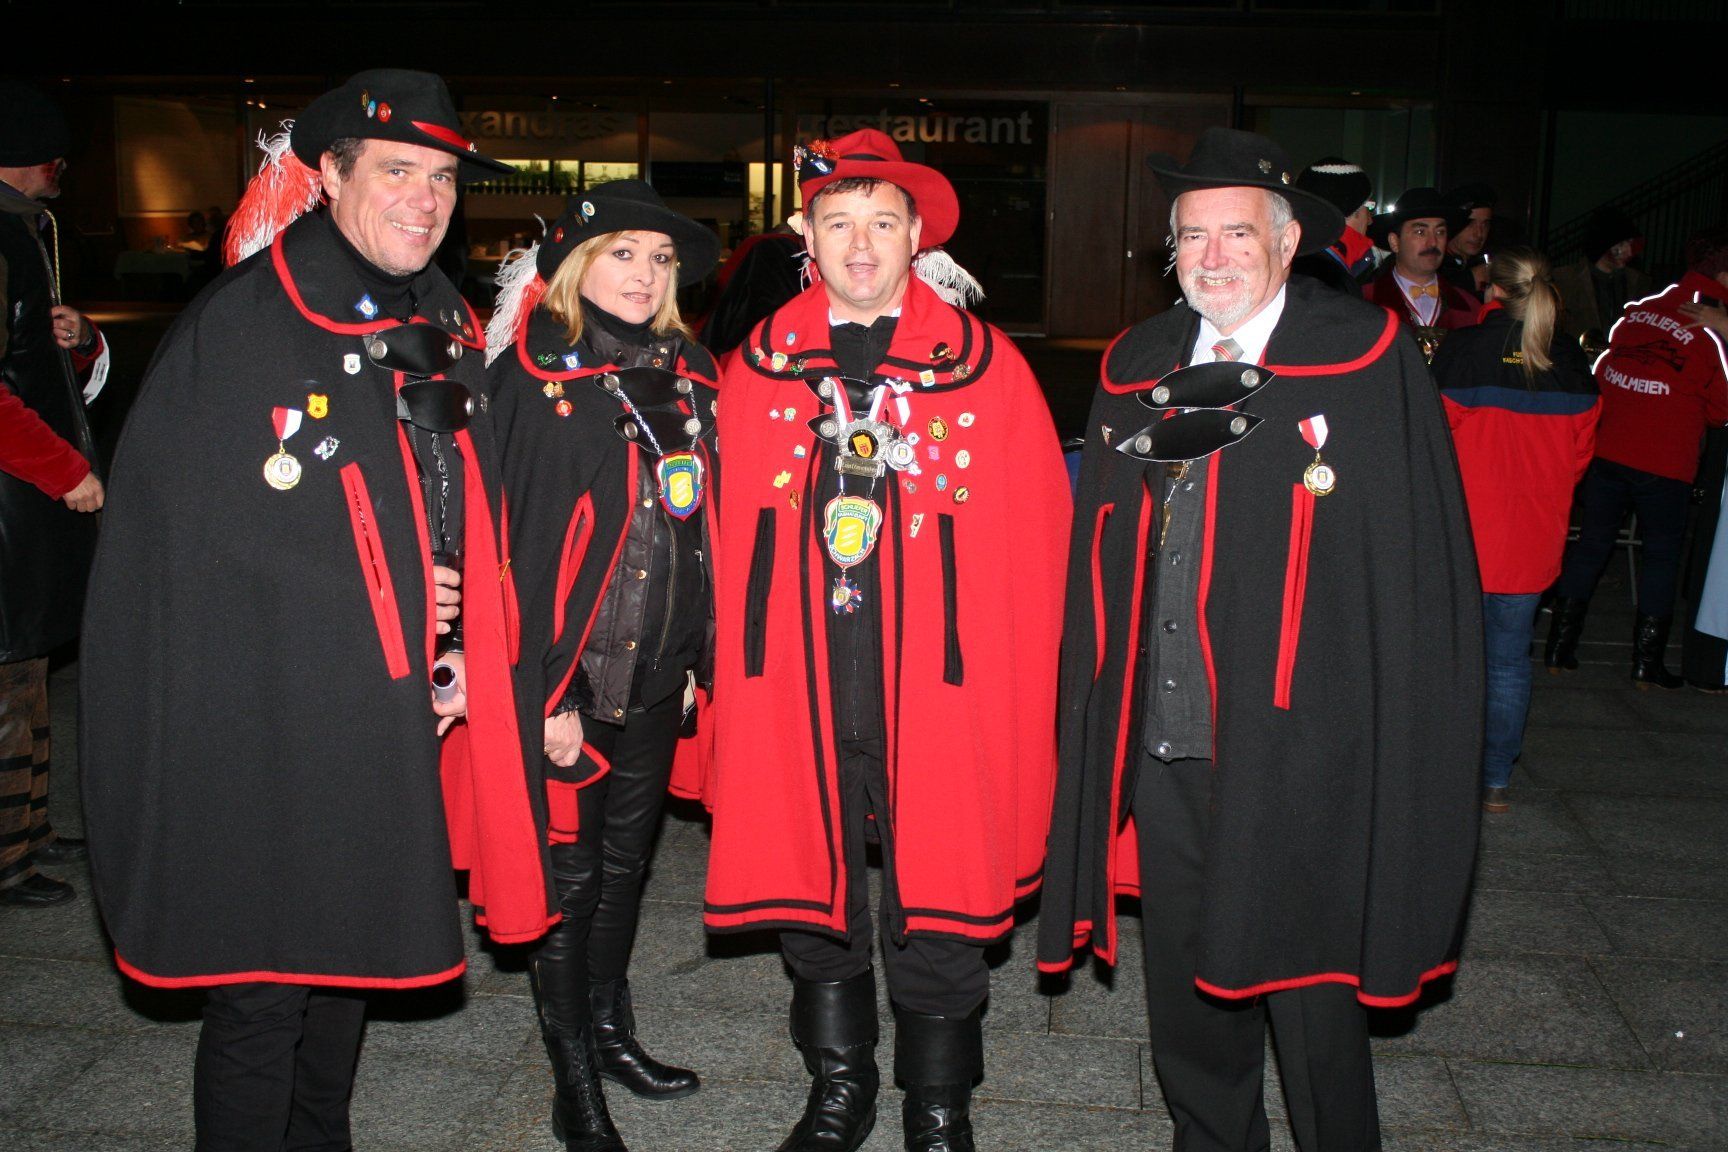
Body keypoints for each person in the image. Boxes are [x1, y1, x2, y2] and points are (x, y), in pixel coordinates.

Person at [80, 70, 553, 1150]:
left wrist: (458, 625)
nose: (425, 200)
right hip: (267, 713)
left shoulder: (437, 310)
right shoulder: (247, 325)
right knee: (263, 989)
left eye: (442, 179)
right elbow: (194, 554)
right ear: (330, 176)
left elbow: (453, 488)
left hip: (385, 703)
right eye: (397, 172)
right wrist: (398, 586)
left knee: (349, 962)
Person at [1040, 127, 1482, 1152]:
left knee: (1309, 975)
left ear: (1287, 243)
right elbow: (1102, 548)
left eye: (1237, 233)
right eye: (1191, 237)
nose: (1214, 257)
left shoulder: (1360, 360)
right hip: (1165, 727)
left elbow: (1413, 567)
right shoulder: (1139, 363)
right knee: (1186, 976)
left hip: (1305, 733)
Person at [704, 128, 1069, 1152]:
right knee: (813, 899)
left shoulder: (987, 370)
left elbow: (1039, 544)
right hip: (798, 677)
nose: (859, 245)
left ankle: (938, 1106)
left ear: (916, 237)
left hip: (941, 683)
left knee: (941, 897)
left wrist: (1023, 686)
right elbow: (719, 540)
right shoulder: (755, 370)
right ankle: (840, 1087)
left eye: (880, 223)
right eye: (837, 224)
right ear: (805, 237)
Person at [487, 180, 721, 1152]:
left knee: (627, 865)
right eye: (623, 253)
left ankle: (612, 1030)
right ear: (579, 264)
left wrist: (701, 651)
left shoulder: (692, 371)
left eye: (660, 260)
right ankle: (573, 1079)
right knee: (572, 878)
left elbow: (702, 523)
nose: (645, 274)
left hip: (661, 667)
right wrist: (547, 691)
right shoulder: (536, 376)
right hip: (573, 680)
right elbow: (518, 549)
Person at [1433, 248, 1600, 813]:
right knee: (1508, 661)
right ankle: (1495, 779)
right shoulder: (1569, 360)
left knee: (1453, 660)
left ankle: (1445, 772)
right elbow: (1580, 457)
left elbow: (1433, 444)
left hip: (1464, 535)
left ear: (1494, 291)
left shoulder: (1463, 350)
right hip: (1533, 536)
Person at [0, 80, 109, 908]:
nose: (60, 171)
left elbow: (30, 366)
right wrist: (62, 469)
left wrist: (77, 339)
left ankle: (30, 829)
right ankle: (7, 852)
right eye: (52, 157)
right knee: (9, 675)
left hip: (23, 499)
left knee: (31, 665)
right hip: (11, 495)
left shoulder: (25, 231)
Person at [1546, 229, 1728, 689]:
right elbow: (1721, 410)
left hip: (1609, 450)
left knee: (1591, 545)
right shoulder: (1713, 329)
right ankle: (1646, 665)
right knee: (1661, 558)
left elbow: (1605, 371)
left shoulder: (1641, 311)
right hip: (1665, 461)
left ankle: (1558, 649)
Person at [1365, 187, 1479, 356]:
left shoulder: (1470, 306)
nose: (1433, 242)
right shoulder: (1365, 301)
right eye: (1420, 232)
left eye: (1440, 232)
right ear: (1395, 242)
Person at [1553, 207, 1651, 347]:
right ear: (1603, 244)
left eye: (1630, 243)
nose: (1629, 251)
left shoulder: (1638, 282)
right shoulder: (1566, 280)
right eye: (1621, 244)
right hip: (1579, 357)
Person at [1290, 156, 1377, 295]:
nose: (1370, 220)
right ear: (1350, 208)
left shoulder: (1300, 263)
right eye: (1369, 208)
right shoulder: (1326, 277)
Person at [1441, 182, 1496, 299]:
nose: (1479, 233)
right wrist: (1469, 280)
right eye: (1470, 224)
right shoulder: (1433, 263)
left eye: (1485, 224)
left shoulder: (1488, 260)